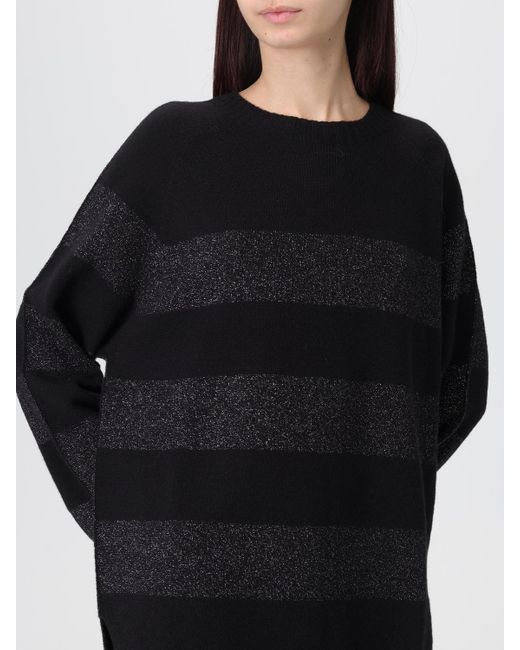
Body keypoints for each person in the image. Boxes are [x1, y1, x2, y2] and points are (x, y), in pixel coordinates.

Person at [16, 1, 489, 648]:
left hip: (367, 608)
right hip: (186, 612)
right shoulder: (175, 149)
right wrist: (134, 515)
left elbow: (455, 386)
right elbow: (46, 334)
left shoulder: (418, 167)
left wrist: (349, 500)